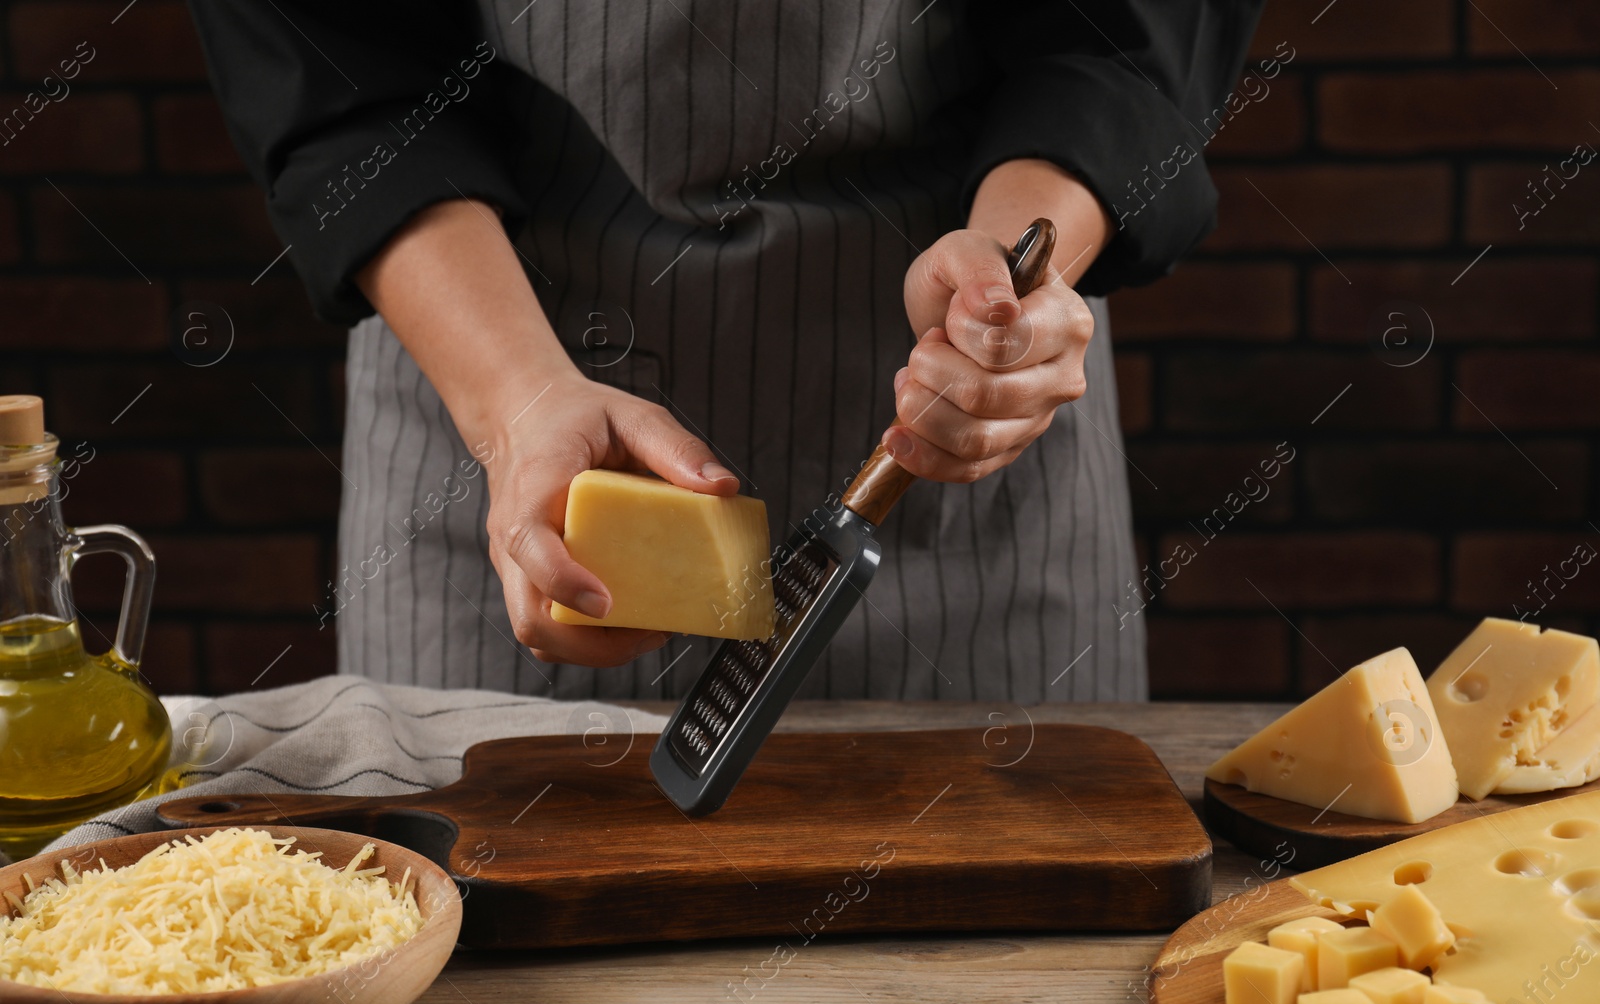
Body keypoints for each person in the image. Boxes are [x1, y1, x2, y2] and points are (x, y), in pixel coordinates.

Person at [189, 0, 1263, 703]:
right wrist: (516, 404)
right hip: (505, 454)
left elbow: (1114, 40)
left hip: (978, 527)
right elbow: (338, 71)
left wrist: (1011, 275)